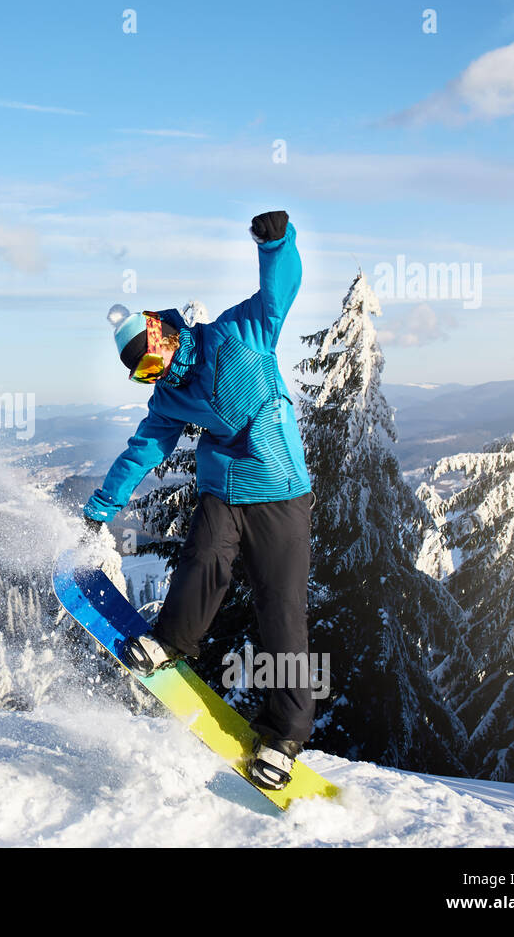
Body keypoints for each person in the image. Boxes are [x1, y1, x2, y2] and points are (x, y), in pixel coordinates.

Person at [81, 210, 314, 791]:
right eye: (144, 374)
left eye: (154, 360)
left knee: (280, 608)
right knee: (203, 558)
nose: (157, 375)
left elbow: (277, 293)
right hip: (222, 491)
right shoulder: (169, 401)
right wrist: (103, 506)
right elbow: (142, 451)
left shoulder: (237, 334)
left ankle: (282, 738)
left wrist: (276, 243)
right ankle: (169, 643)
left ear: (164, 336)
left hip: (281, 490)